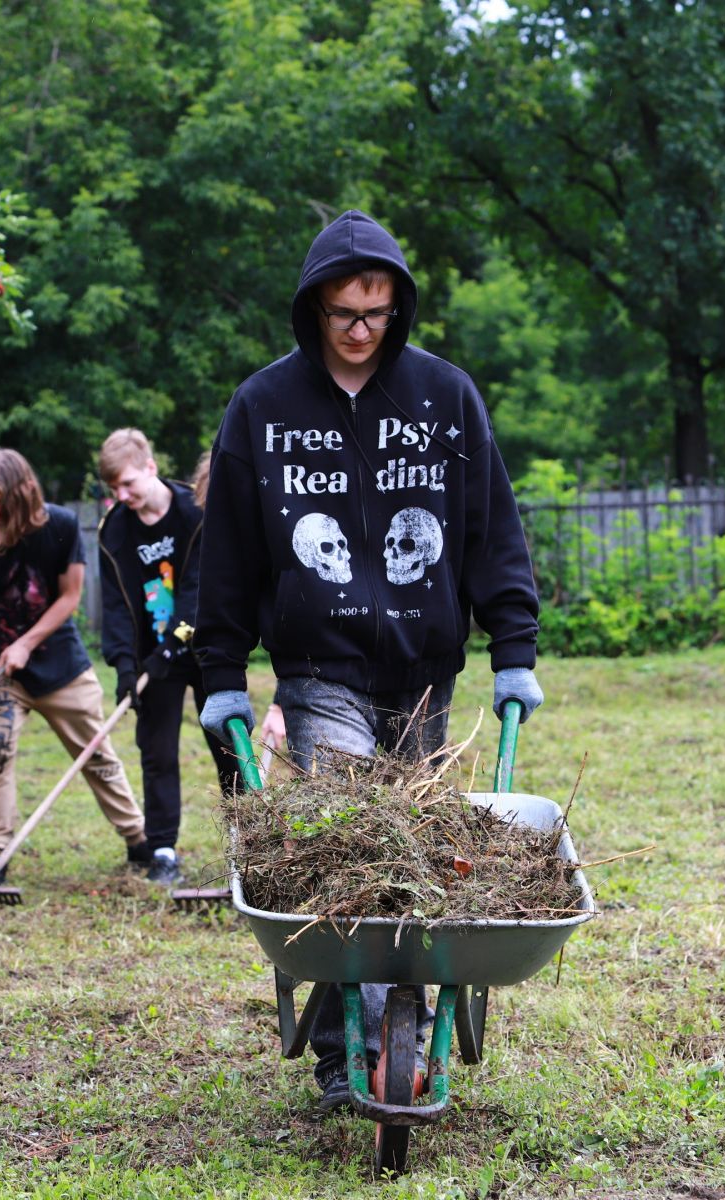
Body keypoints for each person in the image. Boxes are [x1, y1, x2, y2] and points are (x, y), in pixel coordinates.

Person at [194, 210, 544, 1110]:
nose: (360, 332)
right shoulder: (263, 409)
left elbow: (491, 529)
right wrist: (222, 677)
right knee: (351, 850)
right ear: (313, 307)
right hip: (318, 668)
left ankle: (390, 1030)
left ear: (399, 310)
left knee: (417, 863)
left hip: (427, 669)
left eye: (378, 315)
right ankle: (350, 1043)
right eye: (344, 314)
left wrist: (514, 649)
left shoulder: (446, 397)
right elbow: (227, 555)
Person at [0, 448, 149, 883]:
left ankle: (138, 841)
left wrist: (27, 642)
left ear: (25, 493)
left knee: (95, 753)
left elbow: (70, 598)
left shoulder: (61, 526)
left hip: (59, 662)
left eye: (2, 502)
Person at [96, 430, 240, 886]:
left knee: (226, 744)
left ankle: (249, 845)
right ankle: (162, 851)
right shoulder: (114, 531)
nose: (123, 497)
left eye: (128, 484)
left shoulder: (195, 511)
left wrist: (170, 648)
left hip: (205, 648)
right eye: (114, 489)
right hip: (151, 659)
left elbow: (200, 590)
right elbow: (115, 607)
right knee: (156, 752)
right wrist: (123, 665)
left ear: (151, 467)